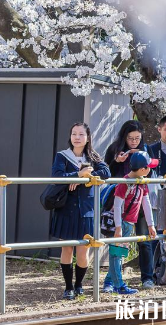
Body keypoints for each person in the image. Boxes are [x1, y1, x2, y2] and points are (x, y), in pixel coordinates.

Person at [50, 122, 110, 300]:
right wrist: (76, 176)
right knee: (67, 249)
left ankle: (79, 285)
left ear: (88, 137)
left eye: (81, 134)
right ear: (70, 136)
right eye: (74, 134)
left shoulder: (92, 156)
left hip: (86, 209)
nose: (77, 137)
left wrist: (87, 173)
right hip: (66, 208)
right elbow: (56, 176)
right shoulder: (62, 156)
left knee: (83, 250)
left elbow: (106, 171)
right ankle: (68, 287)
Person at [103, 120, 157, 289]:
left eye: (137, 138)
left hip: (139, 201)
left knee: (144, 241)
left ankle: (147, 277)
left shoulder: (146, 151)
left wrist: (151, 224)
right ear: (123, 137)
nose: (134, 141)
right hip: (119, 205)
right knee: (117, 247)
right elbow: (105, 173)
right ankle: (112, 282)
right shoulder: (114, 149)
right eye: (130, 138)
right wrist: (117, 161)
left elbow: (152, 173)